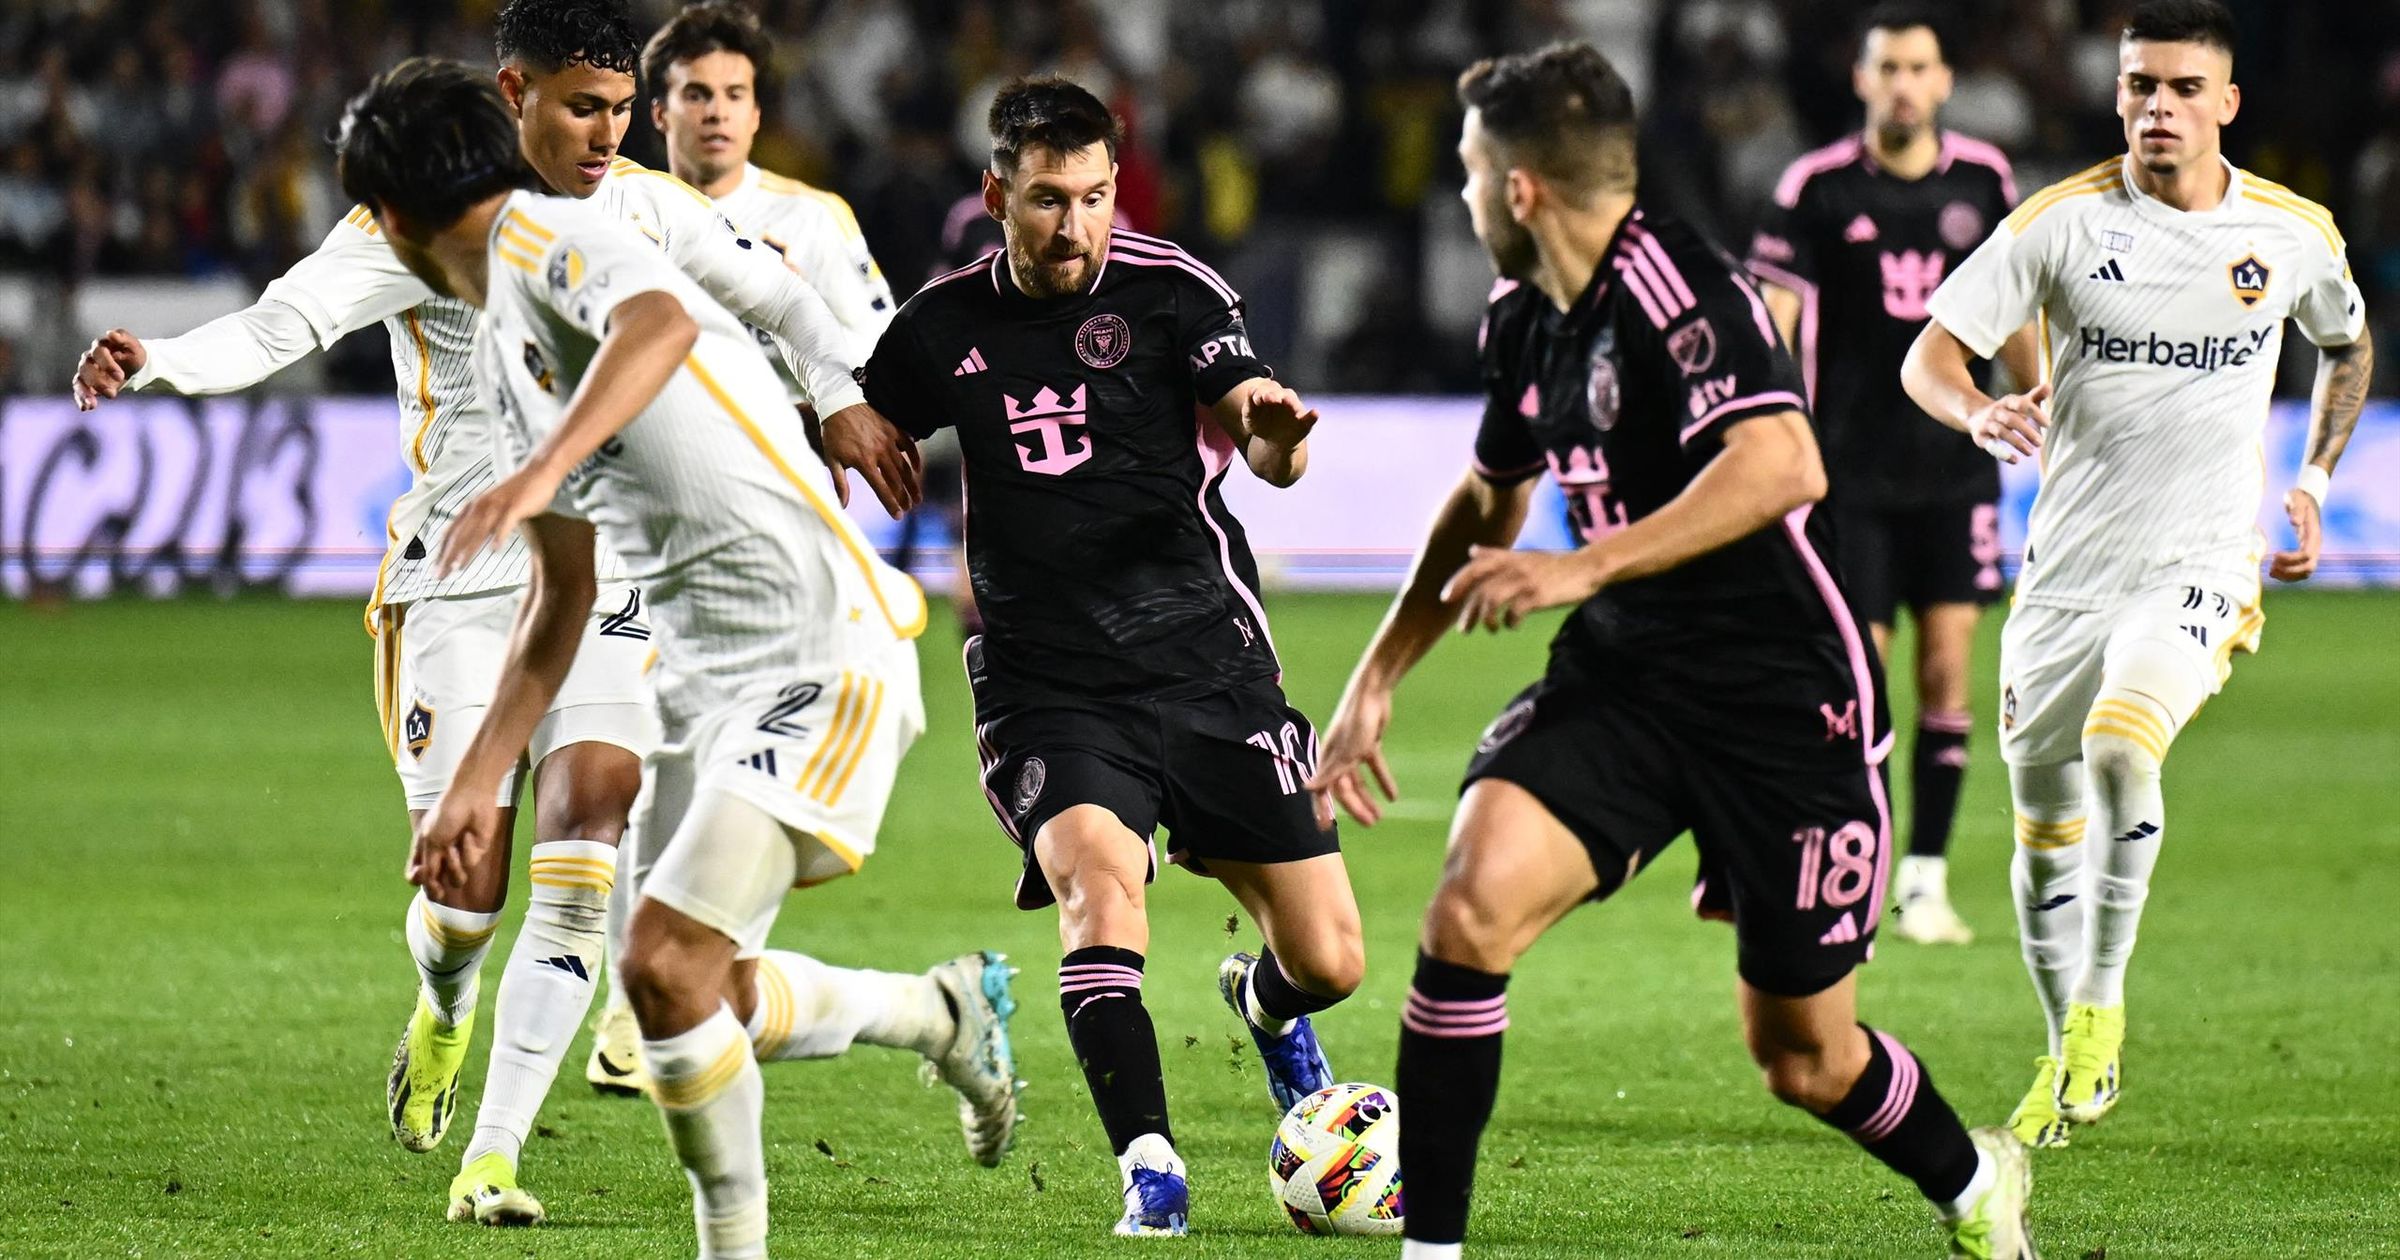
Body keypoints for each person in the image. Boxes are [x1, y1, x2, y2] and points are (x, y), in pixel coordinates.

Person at [67, 0, 1013, 1228]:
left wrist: (836, 393)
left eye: (625, 109)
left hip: (781, 633)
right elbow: (285, 323)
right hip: (471, 583)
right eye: (586, 106)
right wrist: (165, 362)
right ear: (514, 95)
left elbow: (708, 311)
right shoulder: (436, 249)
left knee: (608, 898)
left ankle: (496, 1153)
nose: (611, 134)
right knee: (557, 931)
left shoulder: (595, 230)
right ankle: (475, 1004)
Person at [1309, 43, 2033, 1259]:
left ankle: (1974, 1189)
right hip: (1629, 678)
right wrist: (1377, 675)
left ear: (1522, 187)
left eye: (1472, 174)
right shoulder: (1526, 317)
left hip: (1786, 699)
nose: (1466, 197)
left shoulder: (1682, 287)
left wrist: (1578, 565)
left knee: (1804, 1059)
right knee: (1468, 913)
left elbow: (1783, 465)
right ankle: (1430, 1250)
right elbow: (1487, 503)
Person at [335, 58, 945, 1260]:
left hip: (819, 648)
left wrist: (542, 469)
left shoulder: (545, 241)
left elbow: (659, 322)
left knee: (663, 967)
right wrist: (476, 781)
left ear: (389, 221)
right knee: (676, 981)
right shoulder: (510, 343)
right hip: (717, 684)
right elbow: (561, 597)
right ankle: (939, 1013)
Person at [826, 76, 1364, 1238]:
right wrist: (840, 417)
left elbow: (1262, 435)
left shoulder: (1173, 290)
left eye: (1093, 198)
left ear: (1116, 189)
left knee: (1330, 962)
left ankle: (1268, 1010)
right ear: (998, 195)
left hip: (1205, 658)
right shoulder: (941, 327)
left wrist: (1272, 438)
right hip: (1048, 680)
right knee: (1096, 884)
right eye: (1045, 200)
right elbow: (850, 412)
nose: (1072, 225)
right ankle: (1151, 1164)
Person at [1902, 0, 2371, 1149]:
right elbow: (1929, 352)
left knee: (2123, 742)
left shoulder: (2290, 231)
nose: (2156, 107)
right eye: (2137, 87)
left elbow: (2348, 343)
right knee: (2041, 832)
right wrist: (1976, 413)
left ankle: (2105, 1001)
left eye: (2179, 88)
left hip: (2198, 559)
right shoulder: (2060, 224)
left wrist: (2308, 480)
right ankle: (2069, 1052)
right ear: (2116, 94)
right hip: (2066, 575)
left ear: (2227, 103)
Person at [566, 0, 907, 1099]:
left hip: (770, 541)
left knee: (707, 776)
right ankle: (639, 1012)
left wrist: (830, 400)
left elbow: (866, 353)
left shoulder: (809, 224)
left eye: (735, 95)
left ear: (761, 110)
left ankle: (685, 987)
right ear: (653, 111)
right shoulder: (604, 217)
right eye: (695, 95)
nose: (716, 114)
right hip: (639, 538)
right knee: (633, 765)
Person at [1747, 4, 2032, 944]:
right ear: (1862, 80)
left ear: (1944, 81)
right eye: (1888, 68)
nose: (1904, 83)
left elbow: (2018, 308)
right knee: (1861, 679)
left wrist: (2044, 405)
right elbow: (1775, 327)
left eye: (1919, 67)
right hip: (1849, 476)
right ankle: (1854, 870)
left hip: (1956, 468)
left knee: (1948, 671)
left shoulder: (1985, 180)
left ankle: (1925, 879)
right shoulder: (1816, 187)